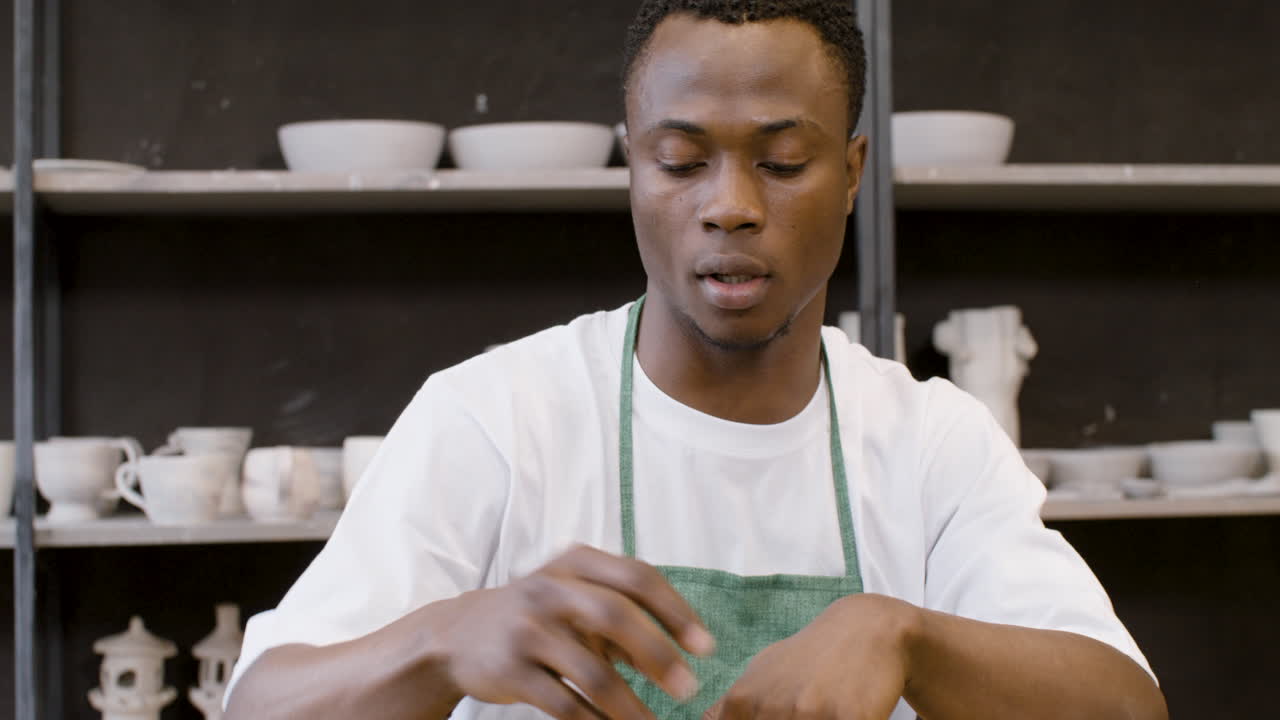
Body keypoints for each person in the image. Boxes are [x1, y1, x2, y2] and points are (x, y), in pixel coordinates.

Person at [225, 2, 1167, 718]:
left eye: (784, 161)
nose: (730, 206)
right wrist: (439, 641)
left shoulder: (931, 442)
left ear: (853, 175)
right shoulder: (497, 416)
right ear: (633, 168)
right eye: (681, 162)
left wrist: (905, 635)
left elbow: (1126, 701)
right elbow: (260, 701)